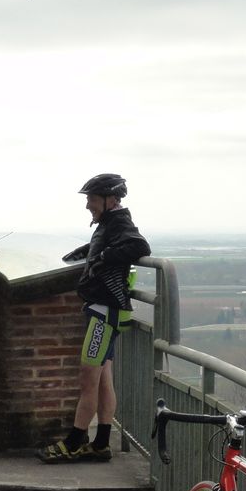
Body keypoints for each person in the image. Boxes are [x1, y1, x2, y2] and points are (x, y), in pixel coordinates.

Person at [38, 173, 150, 463]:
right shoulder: (109, 222)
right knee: (102, 380)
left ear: (110, 199)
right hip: (103, 308)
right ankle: (100, 443)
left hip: (104, 310)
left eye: (92, 199)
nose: (88, 205)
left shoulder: (120, 221)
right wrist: (89, 251)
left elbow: (140, 247)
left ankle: (75, 441)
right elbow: (110, 246)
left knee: (88, 378)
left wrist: (104, 256)